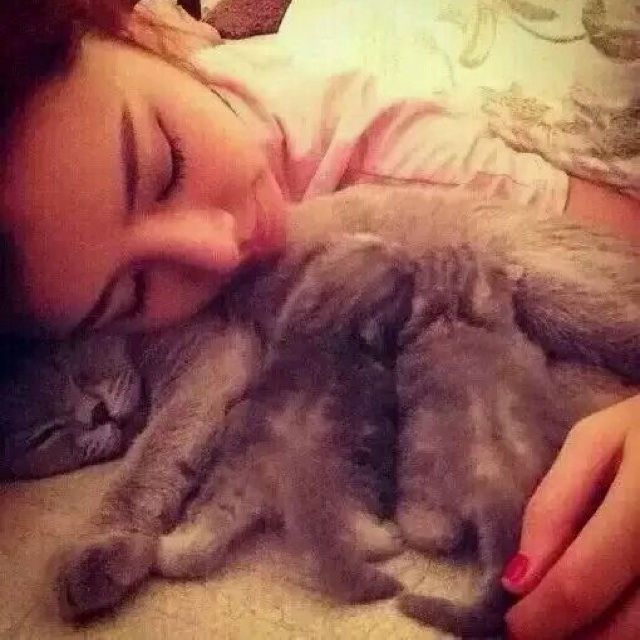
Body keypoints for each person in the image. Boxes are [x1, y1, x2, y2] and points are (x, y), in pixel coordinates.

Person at [0, 1, 637, 637]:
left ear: (139, 25)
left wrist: (128, 514)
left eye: (168, 166)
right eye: (132, 292)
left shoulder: (378, 136)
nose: (219, 247)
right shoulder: (76, 274)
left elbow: (609, 250)